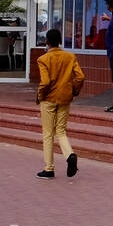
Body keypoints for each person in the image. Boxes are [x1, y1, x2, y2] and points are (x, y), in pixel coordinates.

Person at [35, 27, 84, 179]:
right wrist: (74, 91)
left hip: (49, 99)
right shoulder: (70, 56)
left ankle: (49, 169)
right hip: (65, 98)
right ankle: (69, 155)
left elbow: (45, 82)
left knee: (48, 134)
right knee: (61, 131)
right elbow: (80, 77)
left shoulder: (43, 59)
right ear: (60, 41)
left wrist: (39, 95)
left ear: (47, 42)